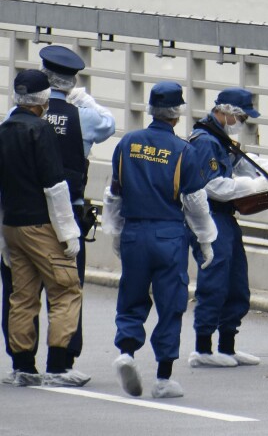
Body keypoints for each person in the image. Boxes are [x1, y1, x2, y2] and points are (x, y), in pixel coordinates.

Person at [102, 81, 217, 398]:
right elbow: (195, 202)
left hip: (134, 231)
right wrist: (206, 239)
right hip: (169, 233)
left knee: (132, 296)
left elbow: (114, 193)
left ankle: (126, 351)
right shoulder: (184, 151)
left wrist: (114, 231)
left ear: (150, 109)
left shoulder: (127, 144)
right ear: (177, 113)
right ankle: (164, 377)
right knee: (171, 305)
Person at [187, 87, 268, 368]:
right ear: (225, 111)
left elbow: (242, 166)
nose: (243, 122)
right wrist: (252, 186)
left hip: (224, 218)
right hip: (209, 216)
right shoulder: (205, 141)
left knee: (236, 282)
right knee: (215, 281)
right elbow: (213, 186)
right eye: (241, 116)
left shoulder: (219, 137)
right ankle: (203, 347)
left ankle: (227, 346)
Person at [0, 70, 83, 387]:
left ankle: (23, 366)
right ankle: (59, 367)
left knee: (22, 296)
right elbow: (55, 186)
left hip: (13, 226)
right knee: (65, 289)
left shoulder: (3, 131)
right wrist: (69, 232)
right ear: (44, 100)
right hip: (41, 225)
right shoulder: (41, 131)